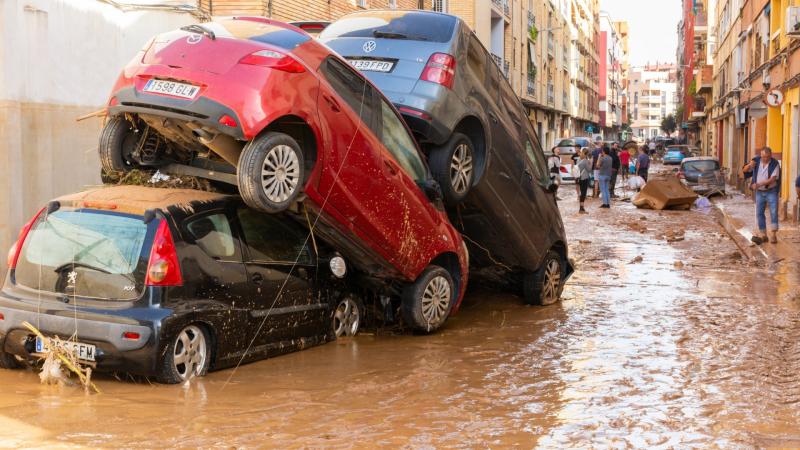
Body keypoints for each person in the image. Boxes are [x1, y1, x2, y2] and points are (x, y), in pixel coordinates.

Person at [750, 147, 781, 244]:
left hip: (771, 191)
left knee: (773, 211)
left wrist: (759, 184)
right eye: (763, 157)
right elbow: (746, 169)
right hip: (759, 192)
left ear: (770, 155)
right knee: (759, 213)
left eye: (767, 157)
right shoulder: (756, 161)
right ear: (760, 155)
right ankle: (763, 234)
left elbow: (772, 179)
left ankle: (773, 235)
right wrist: (750, 165)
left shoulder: (775, 164)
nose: (765, 159)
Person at [576, 149, 592, 214]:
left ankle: (581, 208)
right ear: (587, 154)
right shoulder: (585, 161)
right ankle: (581, 208)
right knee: (583, 193)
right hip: (584, 178)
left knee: (581, 193)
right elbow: (589, 170)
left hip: (579, 178)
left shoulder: (578, 159)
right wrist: (591, 162)